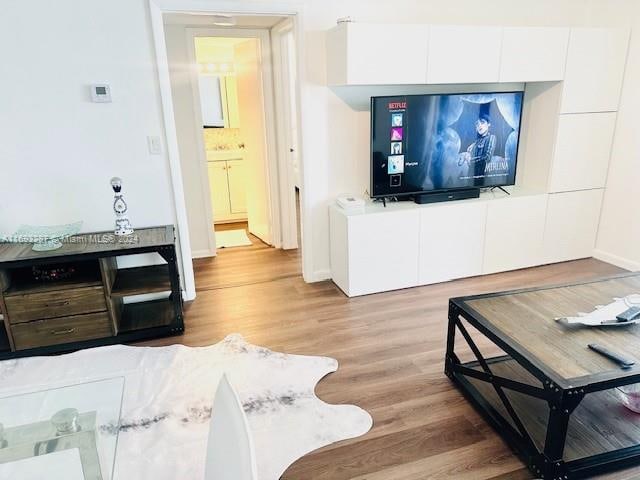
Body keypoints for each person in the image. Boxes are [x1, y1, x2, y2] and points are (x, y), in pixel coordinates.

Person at [458, 113, 496, 184]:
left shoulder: (491, 138)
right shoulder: (475, 143)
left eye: (482, 122)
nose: (479, 126)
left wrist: (470, 160)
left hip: (482, 179)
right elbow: (463, 162)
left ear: (488, 124)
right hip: (470, 179)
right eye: (477, 124)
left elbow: (487, 158)